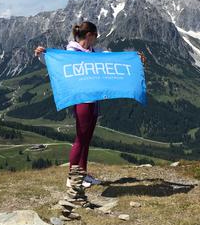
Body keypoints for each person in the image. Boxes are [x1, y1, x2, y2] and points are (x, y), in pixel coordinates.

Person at [34, 21, 146, 189]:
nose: (96, 39)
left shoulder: (92, 52)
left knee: (86, 139)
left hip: (94, 101)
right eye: (95, 36)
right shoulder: (71, 52)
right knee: (80, 138)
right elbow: (55, 63)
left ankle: (82, 174)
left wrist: (134, 59)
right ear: (89, 35)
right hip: (82, 102)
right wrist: (42, 55)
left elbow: (109, 57)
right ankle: (72, 178)